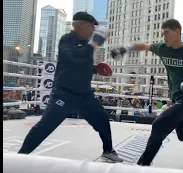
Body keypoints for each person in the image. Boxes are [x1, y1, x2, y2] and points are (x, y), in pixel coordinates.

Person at [110, 19, 183, 166]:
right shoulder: (162, 48)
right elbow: (144, 45)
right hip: (177, 99)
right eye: (163, 33)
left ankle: (142, 166)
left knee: (159, 124)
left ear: (177, 32)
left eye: (167, 33)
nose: (164, 37)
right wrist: (125, 48)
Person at [17, 12, 123, 163]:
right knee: (45, 126)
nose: (93, 30)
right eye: (92, 26)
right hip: (64, 94)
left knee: (102, 119)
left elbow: (78, 64)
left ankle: (108, 150)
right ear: (80, 25)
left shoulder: (85, 45)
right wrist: (95, 43)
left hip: (84, 95)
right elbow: (75, 56)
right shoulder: (66, 40)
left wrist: (95, 69)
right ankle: (20, 156)